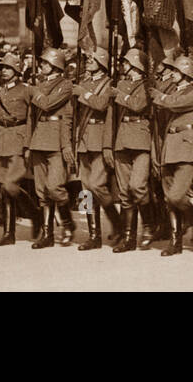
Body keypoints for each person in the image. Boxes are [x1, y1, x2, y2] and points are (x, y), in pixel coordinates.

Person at [150, 54, 193, 255]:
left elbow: (175, 103)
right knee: (168, 198)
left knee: (176, 195)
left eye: (175, 71)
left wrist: (159, 96)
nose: (172, 74)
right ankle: (175, 242)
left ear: (185, 73)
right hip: (169, 144)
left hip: (186, 147)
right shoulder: (171, 91)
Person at [0, 53, 35, 246]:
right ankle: (8, 233)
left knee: (9, 185)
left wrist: (28, 144)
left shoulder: (27, 90)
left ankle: (35, 214)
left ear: (17, 70)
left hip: (18, 139)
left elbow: (31, 119)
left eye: (8, 68)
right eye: (2, 68)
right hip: (1, 139)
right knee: (5, 187)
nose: (3, 71)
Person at [26, 48, 76, 248]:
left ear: (55, 66)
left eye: (45, 63)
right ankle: (47, 235)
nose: (41, 66)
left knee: (54, 187)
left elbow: (46, 104)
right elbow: (32, 117)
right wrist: (28, 143)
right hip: (39, 139)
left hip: (56, 140)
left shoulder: (65, 86)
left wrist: (33, 91)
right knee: (41, 192)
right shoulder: (40, 85)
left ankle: (67, 223)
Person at [109, 49, 153, 252]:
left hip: (141, 137)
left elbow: (139, 105)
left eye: (126, 63)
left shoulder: (146, 85)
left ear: (136, 66)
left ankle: (150, 225)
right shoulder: (121, 84)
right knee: (125, 191)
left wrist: (120, 95)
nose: (123, 66)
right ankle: (128, 238)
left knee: (138, 186)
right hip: (122, 138)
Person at [74, 49, 118, 249]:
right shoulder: (83, 81)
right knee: (85, 189)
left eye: (92, 59)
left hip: (99, 138)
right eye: (87, 59)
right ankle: (94, 234)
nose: (88, 62)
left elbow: (101, 104)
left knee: (96, 185)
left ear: (102, 62)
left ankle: (117, 222)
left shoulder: (108, 84)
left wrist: (82, 93)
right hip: (83, 139)